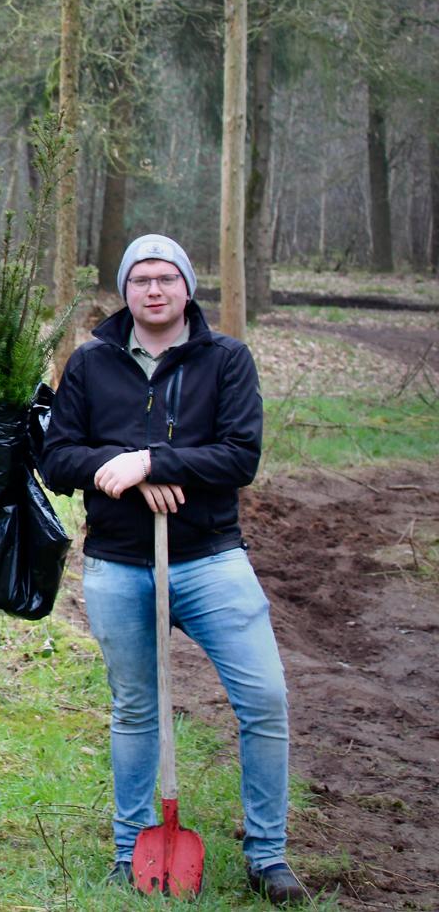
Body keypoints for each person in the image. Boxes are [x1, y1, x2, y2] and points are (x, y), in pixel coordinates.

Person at [40, 234, 307, 905]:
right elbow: (57, 459)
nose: (153, 290)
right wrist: (130, 472)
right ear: (124, 290)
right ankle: (131, 850)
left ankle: (268, 854)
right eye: (140, 279)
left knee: (265, 699)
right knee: (135, 709)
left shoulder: (226, 359)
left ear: (187, 287)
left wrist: (155, 461)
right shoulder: (91, 362)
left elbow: (239, 455)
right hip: (119, 563)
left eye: (166, 278)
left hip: (212, 558)